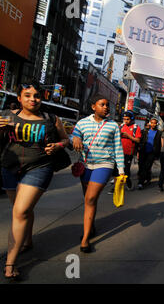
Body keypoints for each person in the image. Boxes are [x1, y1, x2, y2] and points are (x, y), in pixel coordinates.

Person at [0, 82, 69, 280]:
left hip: (39, 168)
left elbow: (65, 139)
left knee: (19, 211)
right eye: (27, 95)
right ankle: (27, 241)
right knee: (21, 210)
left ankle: (10, 263)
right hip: (10, 167)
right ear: (19, 98)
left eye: (37, 95)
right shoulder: (6, 116)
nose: (33, 99)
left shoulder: (51, 119)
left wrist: (57, 145)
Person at [72, 95, 125, 253]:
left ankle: (85, 238)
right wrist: (75, 138)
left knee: (90, 198)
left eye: (107, 105)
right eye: (102, 104)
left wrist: (121, 171)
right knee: (88, 199)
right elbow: (74, 136)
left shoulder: (113, 126)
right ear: (93, 106)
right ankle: (91, 226)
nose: (106, 107)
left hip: (104, 164)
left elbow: (117, 148)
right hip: (85, 165)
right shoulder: (82, 123)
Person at [108, 111, 141, 193]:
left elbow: (137, 140)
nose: (126, 121)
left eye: (127, 119)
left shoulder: (136, 128)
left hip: (128, 153)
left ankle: (128, 182)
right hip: (118, 152)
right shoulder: (121, 126)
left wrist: (128, 136)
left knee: (125, 171)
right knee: (116, 170)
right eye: (124, 119)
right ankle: (116, 188)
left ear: (132, 119)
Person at [137, 118, 161, 189]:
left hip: (152, 153)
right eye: (152, 123)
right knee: (141, 166)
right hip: (143, 152)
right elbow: (140, 141)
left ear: (157, 124)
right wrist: (138, 150)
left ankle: (140, 183)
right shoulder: (145, 131)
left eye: (154, 123)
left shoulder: (159, 133)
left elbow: (159, 144)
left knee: (146, 167)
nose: (153, 124)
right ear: (150, 123)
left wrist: (157, 154)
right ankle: (148, 178)